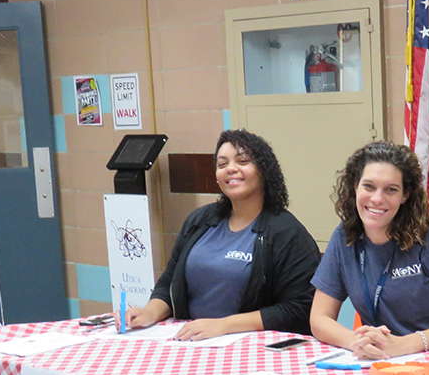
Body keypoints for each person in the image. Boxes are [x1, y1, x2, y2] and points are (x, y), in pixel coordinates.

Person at [125, 129, 320, 340]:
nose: (231, 169)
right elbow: (170, 282)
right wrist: (148, 313)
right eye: (222, 164)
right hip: (192, 340)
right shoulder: (199, 221)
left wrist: (225, 325)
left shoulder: (286, 232)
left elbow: (300, 308)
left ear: (264, 170)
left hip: (253, 350)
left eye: (242, 161)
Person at [309, 142, 429, 359]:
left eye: (391, 190)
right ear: (355, 187)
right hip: (388, 361)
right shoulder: (345, 237)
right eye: (369, 186)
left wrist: (405, 344)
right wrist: (357, 342)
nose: (377, 198)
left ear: (405, 195)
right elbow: (319, 318)